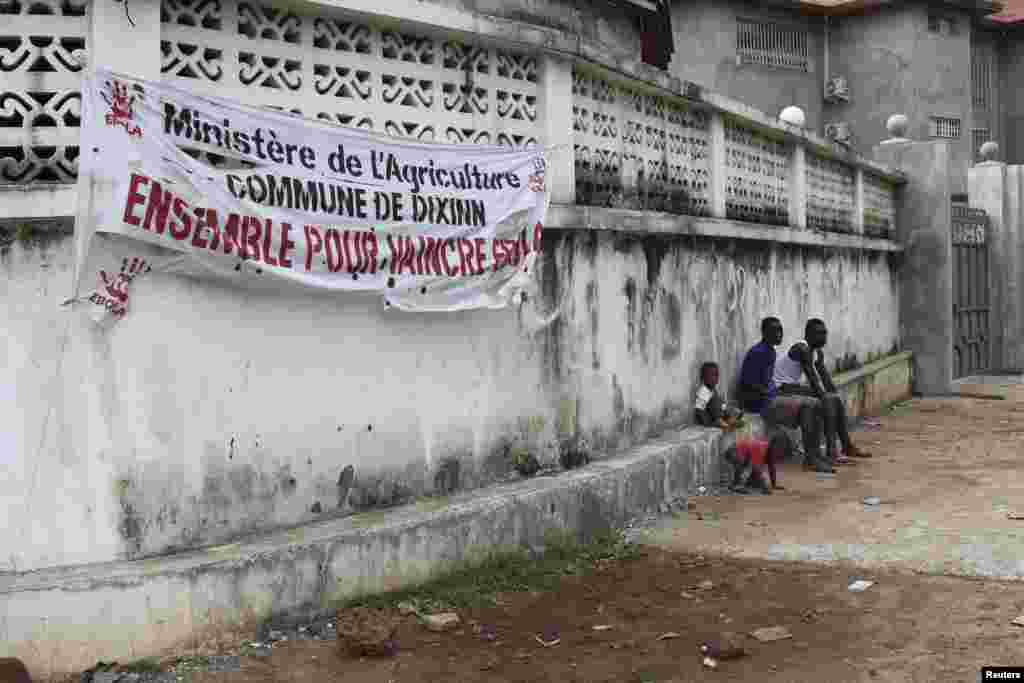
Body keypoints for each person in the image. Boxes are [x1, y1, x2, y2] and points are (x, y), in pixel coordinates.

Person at [738, 317, 833, 473]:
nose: (779, 334)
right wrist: (767, 393)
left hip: (771, 398)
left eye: (780, 330)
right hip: (762, 405)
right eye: (775, 331)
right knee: (808, 406)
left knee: (815, 403)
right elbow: (746, 384)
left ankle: (815, 454)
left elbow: (768, 382)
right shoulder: (758, 352)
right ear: (764, 333)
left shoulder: (770, 351)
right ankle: (811, 458)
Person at [773, 319, 873, 466]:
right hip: (781, 389)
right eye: (819, 334)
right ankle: (833, 452)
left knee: (833, 399)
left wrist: (835, 395)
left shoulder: (815, 352)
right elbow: (814, 382)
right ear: (808, 335)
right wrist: (828, 398)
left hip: (791, 387)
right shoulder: (802, 349)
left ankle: (846, 447)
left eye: (825, 333)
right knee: (827, 400)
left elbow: (828, 385)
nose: (823, 337)